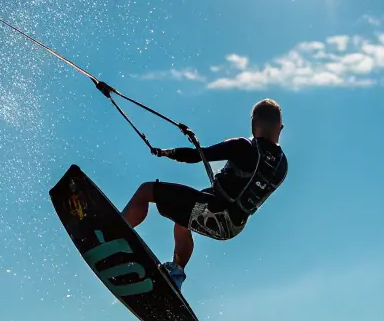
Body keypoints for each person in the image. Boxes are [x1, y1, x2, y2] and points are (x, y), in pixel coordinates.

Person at [121, 98, 288, 288]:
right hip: (233, 227)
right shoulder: (282, 166)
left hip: (213, 211)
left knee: (146, 190)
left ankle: (114, 234)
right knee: (182, 222)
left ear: (253, 124)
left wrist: (166, 152)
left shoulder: (242, 146)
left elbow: (197, 155)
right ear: (280, 128)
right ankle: (176, 272)